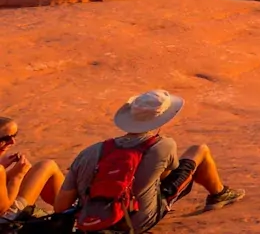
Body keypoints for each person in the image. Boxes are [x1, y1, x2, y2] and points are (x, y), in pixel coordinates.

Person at [54, 90, 245, 233]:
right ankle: (219, 194)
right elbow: (167, 178)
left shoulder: (90, 151)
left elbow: (60, 207)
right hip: (138, 222)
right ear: (161, 118)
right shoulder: (163, 146)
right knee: (199, 150)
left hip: (90, 223)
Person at [0, 117, 64, 222]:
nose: (13, 142)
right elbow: (3, 209)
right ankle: (69, 212)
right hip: (5, 220)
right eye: (5, 139)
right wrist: (17, 176)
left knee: (43, 166)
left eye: (14, 135)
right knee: (48, 166)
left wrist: (6, 169)